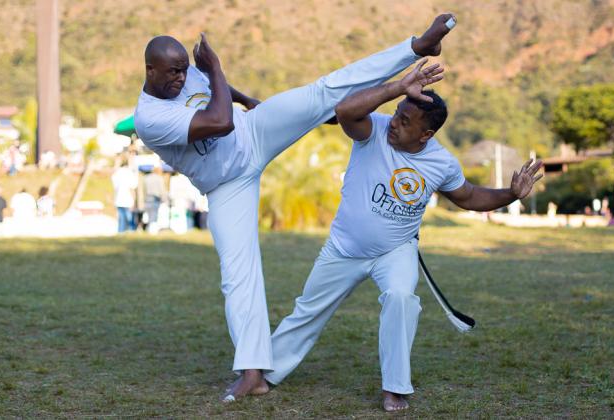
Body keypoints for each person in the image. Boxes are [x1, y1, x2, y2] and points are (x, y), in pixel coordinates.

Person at [133, 14, 455, 401]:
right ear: (150, 70)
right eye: (172, 73)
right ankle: (252, 373)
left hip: (254, 131)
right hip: (226, 184)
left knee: (324, 91)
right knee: (239, 273)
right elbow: (218, 122)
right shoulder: (149, 118)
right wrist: (214, 68)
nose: (181, 80)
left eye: (185, 70)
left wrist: (244, 99)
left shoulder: (189, 74)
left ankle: (415, 47)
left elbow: (217, 96)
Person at [264, 71, 543, 411]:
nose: (394, 123)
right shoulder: (374, 131)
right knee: (307, 310)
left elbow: (468, 197)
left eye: (405, 121)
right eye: (397, 112)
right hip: (344, 247)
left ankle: (394, 388)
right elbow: (346, 111)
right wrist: (397, 87)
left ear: (425, 134)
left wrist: (510, 195)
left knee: (400, 297)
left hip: (395, 250)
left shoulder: (441, 163)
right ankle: (263, 375)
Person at [112, 160, 138, 232]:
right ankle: (130, 233)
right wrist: (134, 201)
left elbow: (115, 188)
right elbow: (132, 188)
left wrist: (114, 200)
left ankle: (120, 233)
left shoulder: (117, 173)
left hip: (119, 200)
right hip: (128, 200)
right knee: (129, 219)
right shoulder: (130, 173)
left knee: (121, 219)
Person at [143, 166, 166, 233]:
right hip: (155, 198)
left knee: (149, 215)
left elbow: (144, 189)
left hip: (147, 198)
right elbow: (162, 190)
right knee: (154, 215)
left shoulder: (146, 178)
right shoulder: (159, 178)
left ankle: (148, 229)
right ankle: (152, 231)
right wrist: (164, 199)